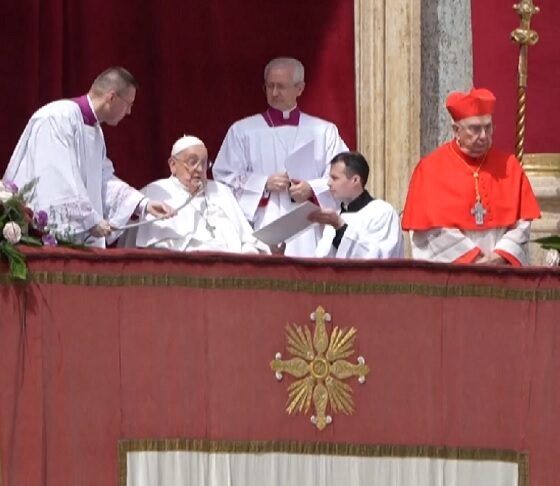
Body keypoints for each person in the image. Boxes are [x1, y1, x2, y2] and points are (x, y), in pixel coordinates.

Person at [3, 66, 172, 247]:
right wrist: (89, 220)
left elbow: (102, 180)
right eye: (129, 104)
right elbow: (58, 178)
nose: (129, 111)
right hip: (41, 237)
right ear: (112, 97)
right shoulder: (58, 117)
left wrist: (142, 204)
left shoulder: (95, 131)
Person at [212, 57, 348, 257]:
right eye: (270, 86)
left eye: (281, 86)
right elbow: (224, 177)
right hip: (264, 223)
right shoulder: (243, 131)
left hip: (309, 228)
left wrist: (312, 189)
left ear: (300, 88)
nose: (274, 93)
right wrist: (263, 183)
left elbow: (343, 175)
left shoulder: (324, 131)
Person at [401, 87, 540, 265]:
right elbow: (430, 231)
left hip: (501, 269)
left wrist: (500, 256)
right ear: (456, 130)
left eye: (488, 127)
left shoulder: (509, 166)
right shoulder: (429, 169)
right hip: (454, 273)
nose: (483, 136)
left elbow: (522, 223)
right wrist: (474, 259)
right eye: (475, 129)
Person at [131, 135, 270, 254]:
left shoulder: (221, 191)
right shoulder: (155, 193)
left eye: (204, 163)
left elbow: (248, 239)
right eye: (192, 162)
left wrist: (246, 256)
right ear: (173, 165)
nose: (199, 168)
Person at [309, 151, 404, 258]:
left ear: (355, 180)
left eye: (335, 178)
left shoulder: (383, 213)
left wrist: (340, 227)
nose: (329, 183)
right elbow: (321, 259)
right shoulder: (335, 216)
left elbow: (377, 257)